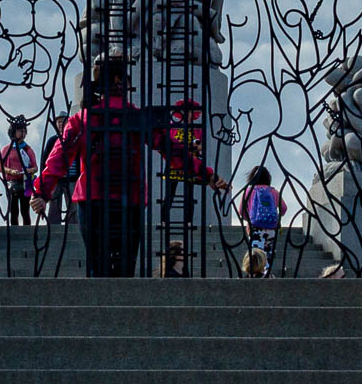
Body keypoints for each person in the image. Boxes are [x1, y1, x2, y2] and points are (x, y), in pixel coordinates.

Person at [30, 53, 227, 276]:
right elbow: (173, 150)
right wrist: (207, 175)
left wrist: (41, 193)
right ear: (126, 84)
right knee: (125, 271)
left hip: (93, 199)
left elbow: (59, 159)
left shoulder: (83, 119)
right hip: (129, 200)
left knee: (98, 268)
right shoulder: (137, 117)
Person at [161, 98, 205, 229]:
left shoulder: (197, 129)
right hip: (174, 164)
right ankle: (164, 220)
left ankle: (188, 221)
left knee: (189, 194)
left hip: (190, 164)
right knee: (169, 194)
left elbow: (200, 146)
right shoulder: (172, 127)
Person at [240, 166, 286, 277]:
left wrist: (249, 219)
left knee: (255, 254)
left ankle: (254, 275)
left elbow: (241, 211)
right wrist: (277, 217)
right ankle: (267, 275)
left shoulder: (248, 191)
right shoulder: (274, 191)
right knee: (268, 253)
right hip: (271, 228)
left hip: (255, 228)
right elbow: (284, 208)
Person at [40, 113, 78, 225]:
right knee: (54, 203)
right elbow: (45, 159)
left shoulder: (75, 139)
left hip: (72, 177)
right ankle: (52, 226)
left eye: (63, 121)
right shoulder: (52, 140)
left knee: (73, 204)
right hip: (56, 178)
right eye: (59, 121)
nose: (61, 124)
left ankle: (73, 225)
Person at [0, 117, 37, 226]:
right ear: (14, 132)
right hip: (12, 183)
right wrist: (10, 171)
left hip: (26, 182)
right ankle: (13, 230)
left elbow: (35, 167)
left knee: (26, 210)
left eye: (25, 131)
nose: (23, 133)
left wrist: (28, 170)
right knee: (13, 209)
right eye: (21, 131)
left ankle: (27, 231)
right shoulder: (7, 149)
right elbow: (0, 166)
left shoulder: (28, 149)